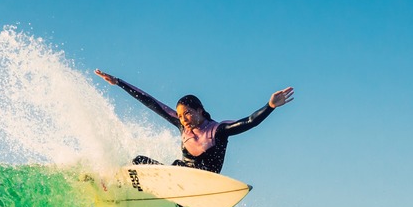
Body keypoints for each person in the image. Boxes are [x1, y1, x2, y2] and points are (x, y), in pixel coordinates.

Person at [94, 69, 294, 174]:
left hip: (203, 182)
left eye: (188, 113)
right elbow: (151, 102)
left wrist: (270, 106)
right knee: (139, 161)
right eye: (180, 115)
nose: (183, 119)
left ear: (200, 110)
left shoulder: (218, 131)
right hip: (179, 175)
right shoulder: (182, 127)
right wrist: (119, 82)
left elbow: (248, 122)